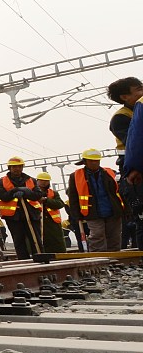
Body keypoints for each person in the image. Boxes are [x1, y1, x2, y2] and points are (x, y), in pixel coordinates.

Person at [67, 149, 124, 252]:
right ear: (85, 161)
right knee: (97, 235)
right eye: (92, 161)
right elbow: (73, 197)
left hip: (113, 210)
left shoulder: (109, 173)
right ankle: (99, 258)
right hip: (92, 212)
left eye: (97, 160)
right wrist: (76, 215)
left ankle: (115, 259)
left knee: (114, 236)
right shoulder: (75, 176)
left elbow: (120, 192)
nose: (95, 163)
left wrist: (126, 210)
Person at [109, 77, 142, 248]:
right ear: (124, 97)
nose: (142, 92)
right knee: (141, 218)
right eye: (138, 90)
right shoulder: (120, 118)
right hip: (132, 167)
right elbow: (134, 142)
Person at [0, 156, 44, 259]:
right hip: (13, 216)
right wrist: (14, 191)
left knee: (35, 238)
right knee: (18, 239)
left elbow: (38, 194)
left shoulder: (31, 180)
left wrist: (26, 192)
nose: (16, 169)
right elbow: (2, 195)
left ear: (22, 167)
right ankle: (23, 259)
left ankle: (39, 257)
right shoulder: (1, 181)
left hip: (31, 214)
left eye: (19, 167)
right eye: (14, 167)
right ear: (9, 168)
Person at [35, 172, 67, 254]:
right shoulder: (32, 193)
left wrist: (46, 200)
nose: (43, 182)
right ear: (37, 181)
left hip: (52, 221)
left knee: (56, 241)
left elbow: (60, 204)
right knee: (39, 240)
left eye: (46, 181)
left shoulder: (53, 193)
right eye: (41, 180)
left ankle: (60, 255)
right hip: (37, 221)